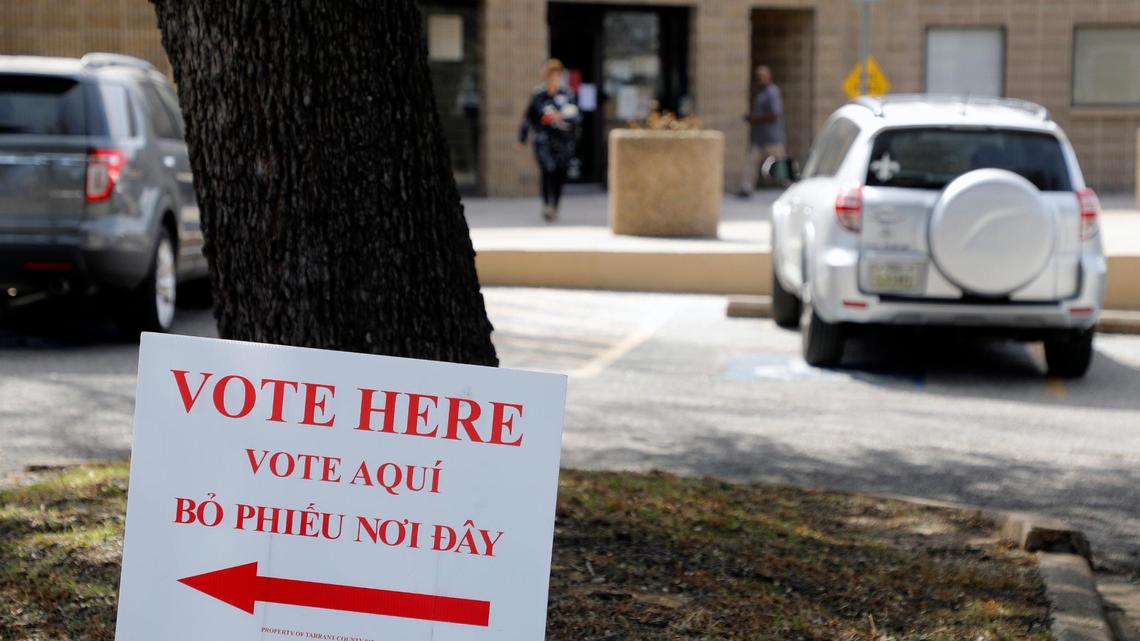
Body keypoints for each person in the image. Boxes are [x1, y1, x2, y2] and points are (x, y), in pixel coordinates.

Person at [516, 59, 581, 222]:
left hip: (563, 140)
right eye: (552, 75)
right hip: (543, 139)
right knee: (548, 169)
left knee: (559, 173)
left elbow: (576, 117)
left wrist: (565, 117)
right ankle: (546, 205)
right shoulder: (539, 94)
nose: (555, 79)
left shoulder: (567, 94)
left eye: (558, 75)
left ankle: (555, 205)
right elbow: (529, 118)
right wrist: (522, 138)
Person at [739, 64, 786, 198]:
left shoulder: (772, 92)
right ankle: (745, 189)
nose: (759, 79)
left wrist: (755, 118)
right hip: (759, 138)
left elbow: (774, 113)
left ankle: (789, 187)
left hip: (772, 137)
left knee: (781, 164)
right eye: (757, 76)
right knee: (751, 163)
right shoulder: (761, 93)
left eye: (761, 76)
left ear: (768, 77)